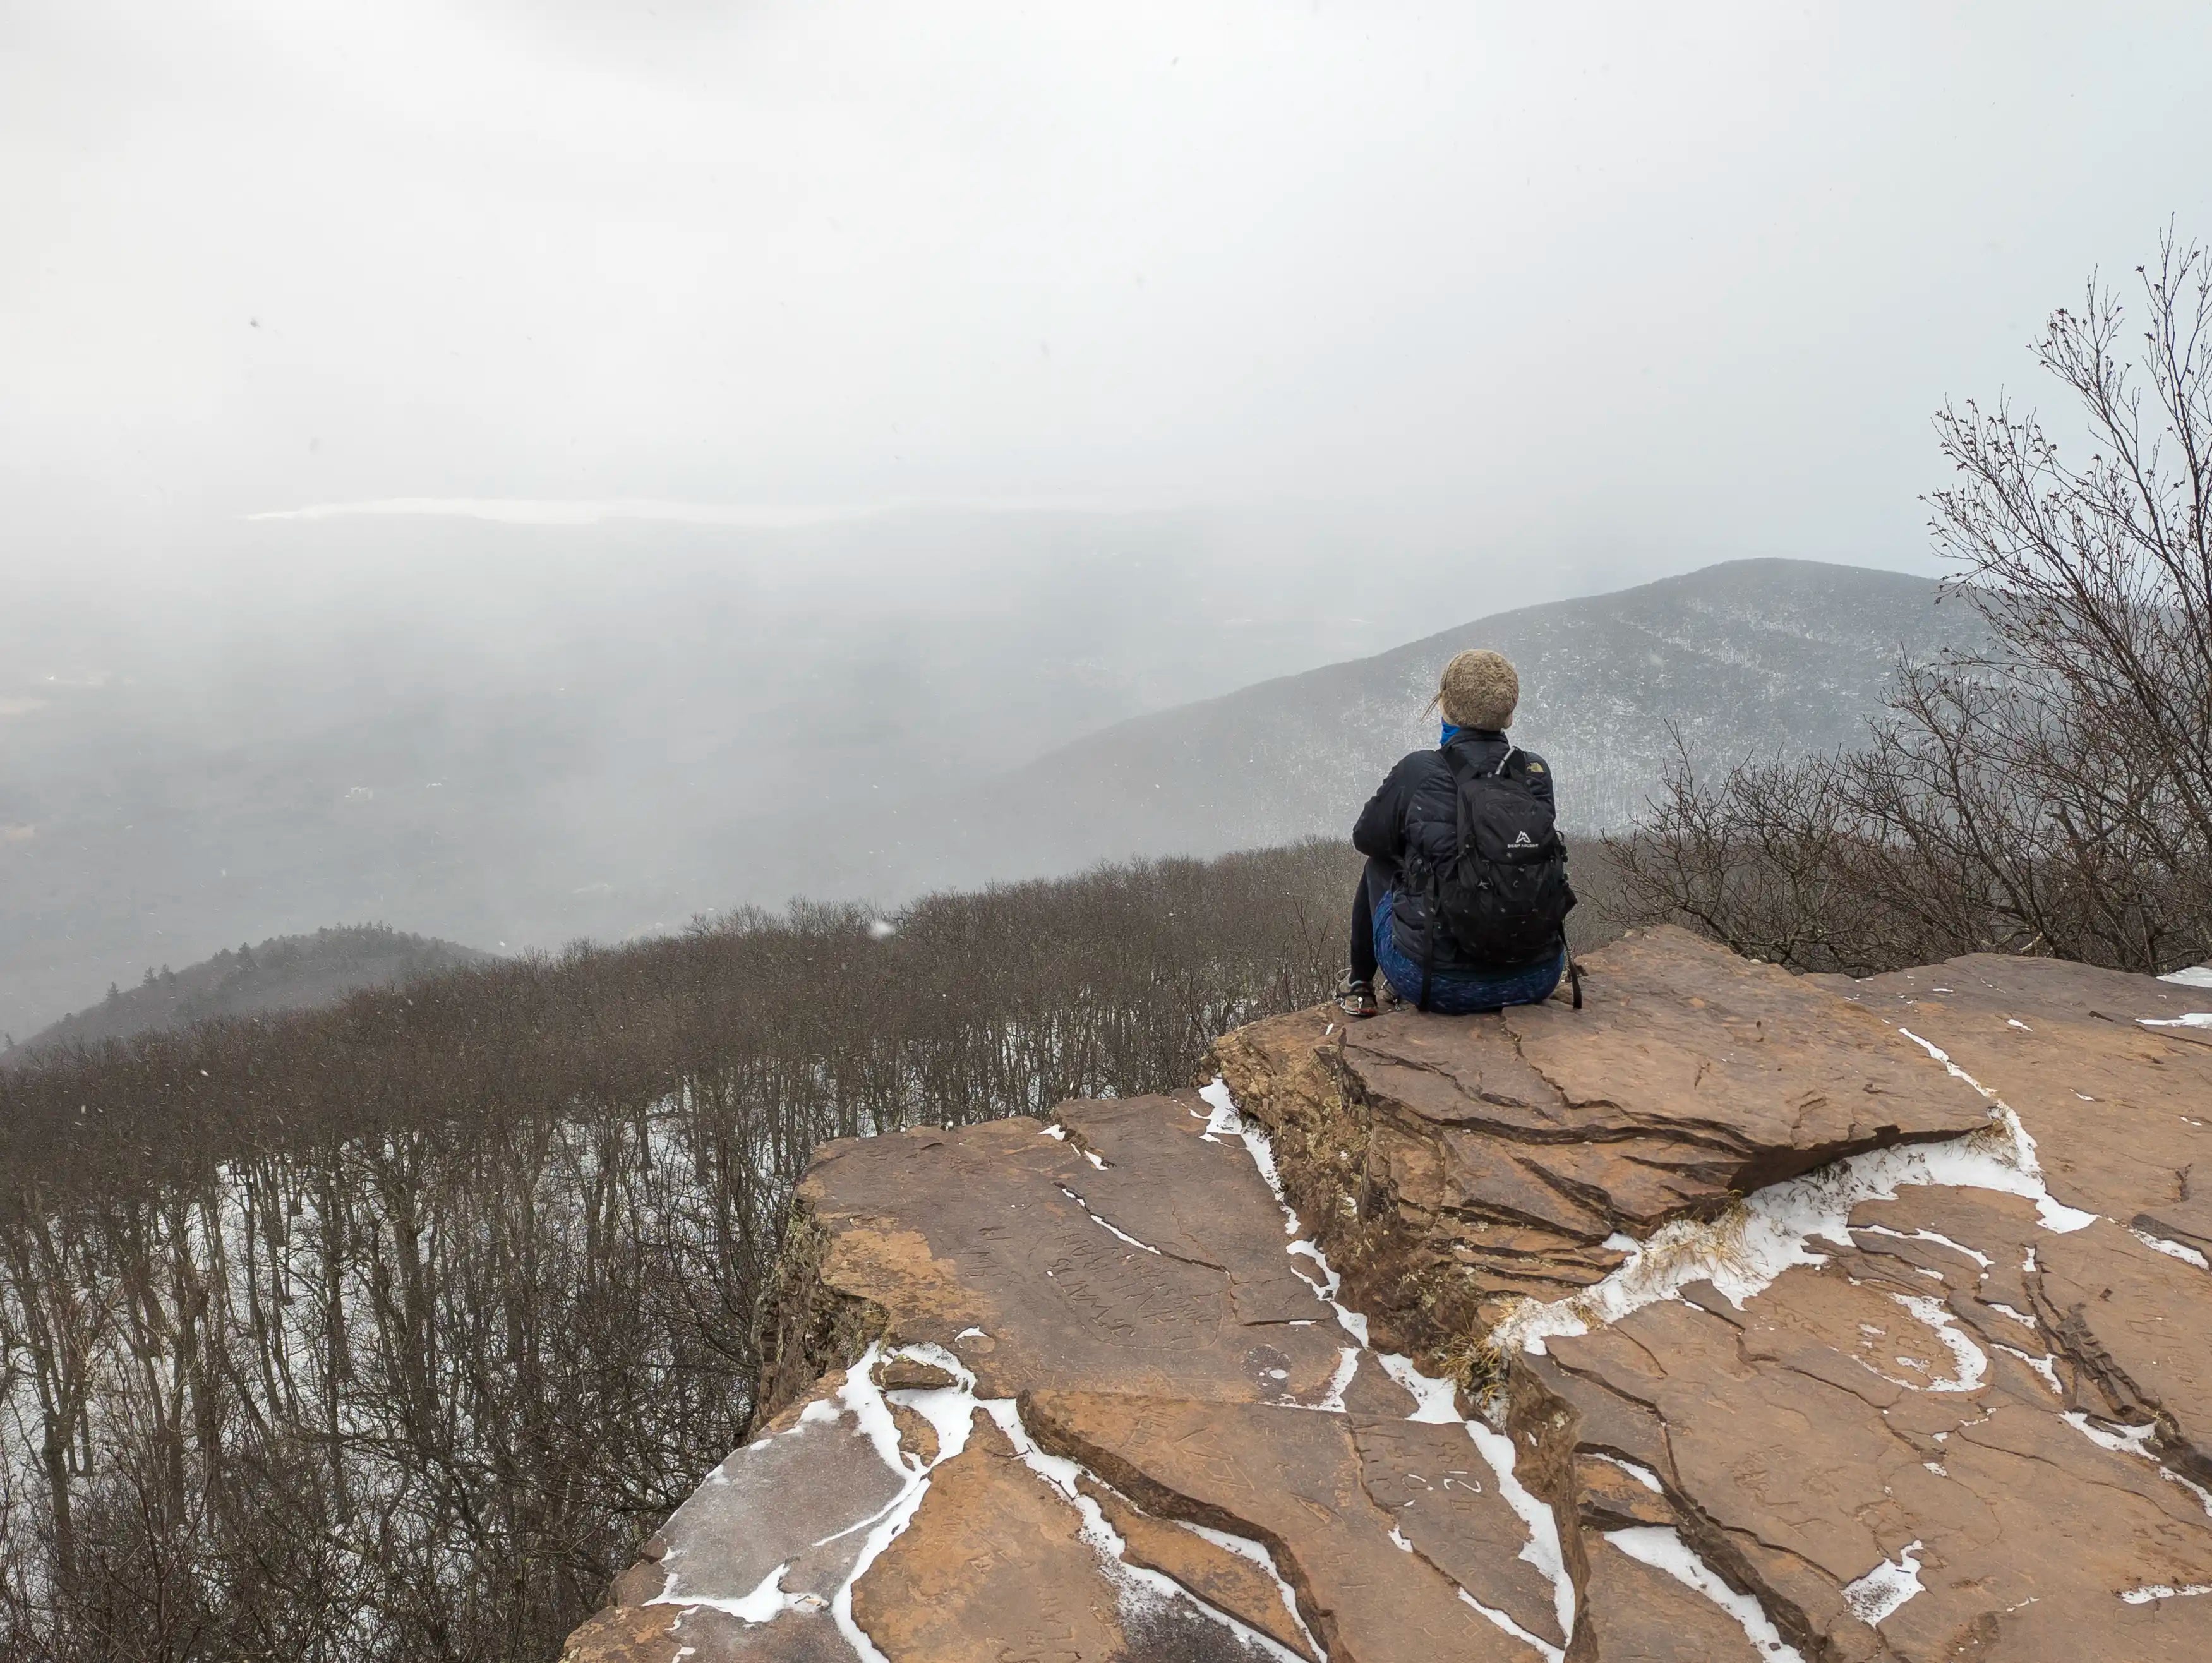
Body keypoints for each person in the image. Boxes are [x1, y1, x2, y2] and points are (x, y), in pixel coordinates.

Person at [1338, 648, 1574, 1018]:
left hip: (1436, 982)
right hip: (1537, 977)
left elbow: (1366, 839)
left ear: (1446, 706)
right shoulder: (1533, 771)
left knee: (1379, 863)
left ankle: (1359, 984)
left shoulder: (1420, 770)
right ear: (1508, 714)